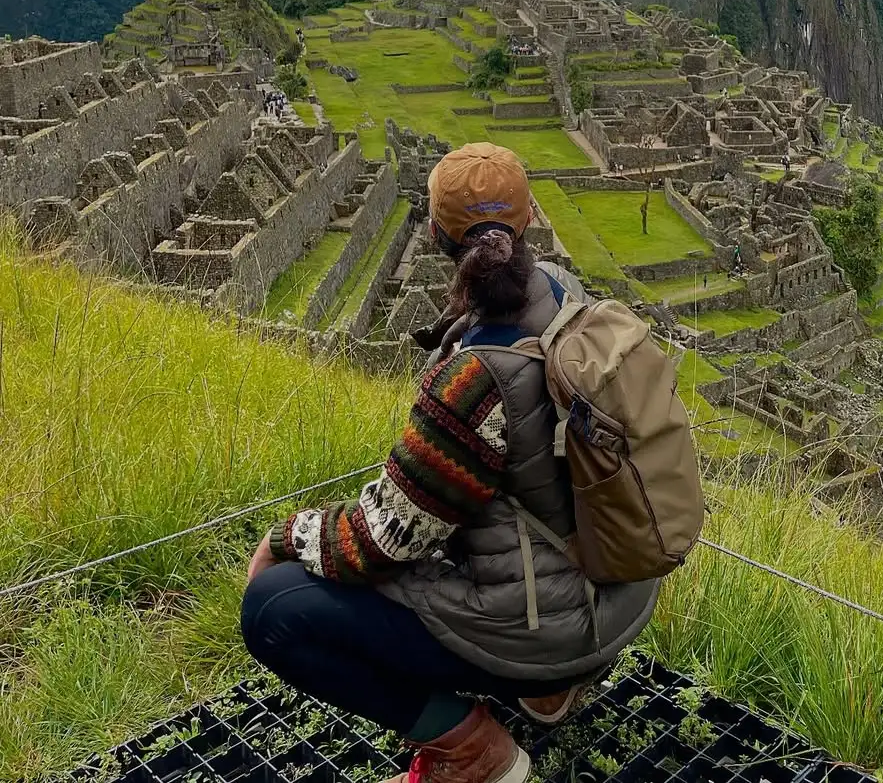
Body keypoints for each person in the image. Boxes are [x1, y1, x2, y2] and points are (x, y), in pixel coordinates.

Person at [241, 143, 661, 783]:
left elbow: (384, 539)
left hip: (552, 630)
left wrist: (284, 538)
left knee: (275, 608)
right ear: (527, 226)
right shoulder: (569, 298)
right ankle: (547, 693)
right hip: (621, 598)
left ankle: (472, 752)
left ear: (434, 233)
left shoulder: (477, 376)